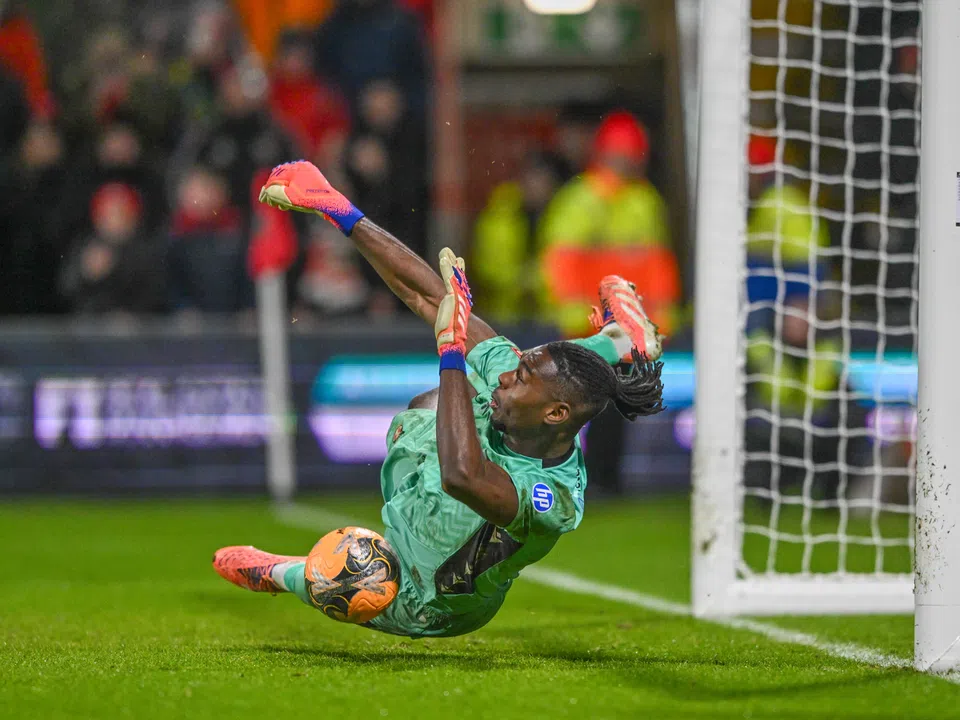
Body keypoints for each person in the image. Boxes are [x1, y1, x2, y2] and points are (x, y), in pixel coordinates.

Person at [212, 160, 665, 638]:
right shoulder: (519, 387)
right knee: (439, 399)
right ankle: (616, 344)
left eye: (523, 377)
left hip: (427, 598)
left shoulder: (553, 499)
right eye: (517, 369)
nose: (509, 376)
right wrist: (340, 210)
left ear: (555, 414)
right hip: (420, 493)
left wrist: (451, 350)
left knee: (357, 576)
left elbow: (462, 476)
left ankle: (279, 572)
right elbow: (426, 297)